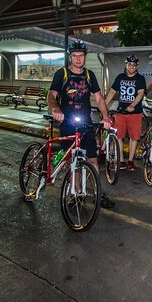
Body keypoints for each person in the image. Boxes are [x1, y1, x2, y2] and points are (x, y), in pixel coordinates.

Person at [48, 39, 115, 209]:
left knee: (92, 159)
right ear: (70, 57)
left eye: (81, 56)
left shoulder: (89, 75)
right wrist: (56, 109)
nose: (78, 59)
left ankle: (97, 191)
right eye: (75, 56)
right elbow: (52, 95)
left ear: (85, 57)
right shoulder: (61, 74)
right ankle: (76, 192)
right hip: (67, 124)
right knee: (73, 161)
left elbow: (99, 99)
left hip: (86, 124)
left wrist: (105, 117)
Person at [105, 55, 147, 171]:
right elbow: (112, 92)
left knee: (134, 137)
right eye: (129, 64)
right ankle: (122, 161)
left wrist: (132, 105)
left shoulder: (140, 79)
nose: (131, 67)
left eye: (134, 65)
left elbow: (140, 93)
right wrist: (104, 105)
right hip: (121, 112)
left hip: (135, 113)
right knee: (119, 136)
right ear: (126, 65)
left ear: (137, 66)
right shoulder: (120, 77)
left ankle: (131, 161)